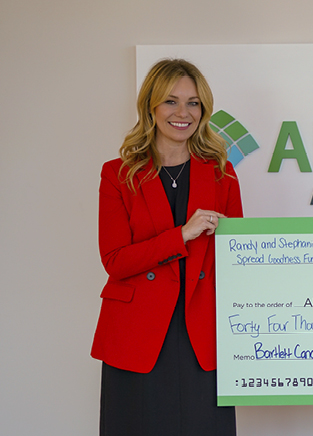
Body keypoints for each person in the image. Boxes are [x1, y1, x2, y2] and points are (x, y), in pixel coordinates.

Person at [91, 59, 243, 435]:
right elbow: (115, 261)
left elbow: (238, 259)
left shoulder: (222, 173)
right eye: (171, 101)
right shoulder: (118, 173)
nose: (183, 113)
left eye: (193, 103)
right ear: (151, 107)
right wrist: (182, 235)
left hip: (203, 332)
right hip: (137, 335)